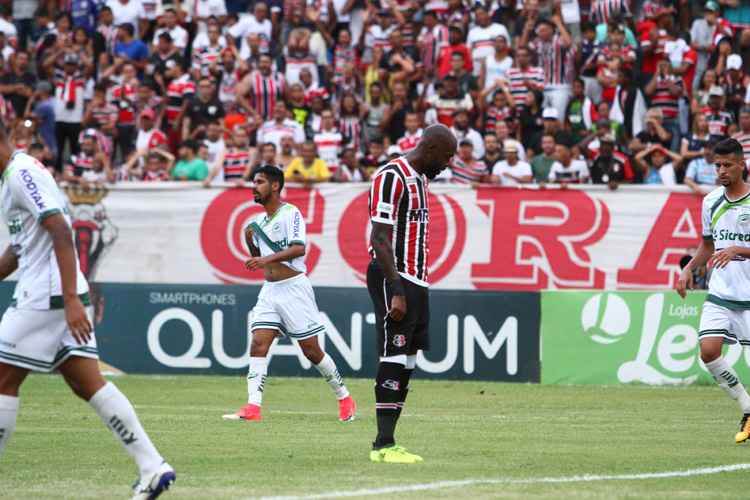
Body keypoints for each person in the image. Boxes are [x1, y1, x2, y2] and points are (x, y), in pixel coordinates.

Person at [0, 127, 175, 499]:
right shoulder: (12, 179)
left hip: (46, 295)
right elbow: (20, 249)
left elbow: (61, 231)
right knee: (87, 383)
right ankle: (152, 466)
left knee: (2, 381)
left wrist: (70, 300)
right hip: (56, 293)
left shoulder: (21, 174)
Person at [222, 165, 356, 422]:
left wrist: (265, 259)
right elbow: (260, 260)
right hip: (270, 290)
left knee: (311, 351)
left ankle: (344, 396)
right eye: (254, 182)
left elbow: (298, 249)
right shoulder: (257, 223)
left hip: (294, 288)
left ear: (274, 186)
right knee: (259, 342)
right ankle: (253, 407)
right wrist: (251, 242)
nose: (254, 186)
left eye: (259, 182)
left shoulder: (290, 213)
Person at [367, 124, 456, 464]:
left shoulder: (421, 179)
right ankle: (383, 444)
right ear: (431, 148)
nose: (448, 163)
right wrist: (397, 291)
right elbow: (380, 238)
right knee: (394, 353)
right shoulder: (392, 175)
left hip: (417, 278)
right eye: (446, 156)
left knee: (409, 359)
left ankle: (389, 441)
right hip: (396, 277)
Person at [676, 138, 750, 445]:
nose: (720, 171)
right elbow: (707, 245)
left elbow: (731, 247)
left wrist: (739, 250)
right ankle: (747, 406)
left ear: (741, 165)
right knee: (708, 351)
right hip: (720, 292)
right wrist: (688, 268)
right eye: (717, 165)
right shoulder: (710, 202)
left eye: (727, 165)